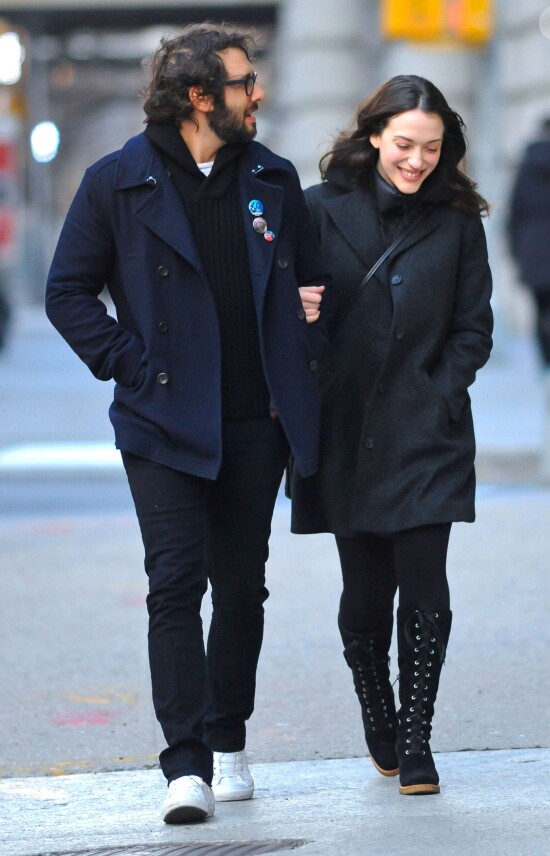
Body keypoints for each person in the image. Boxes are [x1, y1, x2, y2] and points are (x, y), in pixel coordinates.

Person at [45, 22, 328, 824]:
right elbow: (67, 292)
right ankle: (186, 766)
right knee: (174, 583)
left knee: (241, 587)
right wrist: (130, 364)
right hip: (162, 418)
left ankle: (228, 736)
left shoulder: (271, 177)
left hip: (253, 419)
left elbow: (309, 283)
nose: (257, 93)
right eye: (244, 82)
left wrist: (308, 314)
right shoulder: (116, 181)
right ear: (201, 96)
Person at [290, 75, 493, 796]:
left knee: (426, 583)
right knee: (366, 592)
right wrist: (297, 309)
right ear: (375, 135)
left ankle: (416, 738)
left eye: (431, 148)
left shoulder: (458, 221)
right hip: (345, 427)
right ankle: (378, 707)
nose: (417, 161)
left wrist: (440, 391)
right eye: (405, 144)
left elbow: (474, 328)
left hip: (427, 430)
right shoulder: (317, 211)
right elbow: (283, 313)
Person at [507, 117, 550, 369]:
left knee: (539, 308)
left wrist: (515, 251)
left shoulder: (526, 165)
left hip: (532, 248)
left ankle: (546, 359)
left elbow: (515, 211)